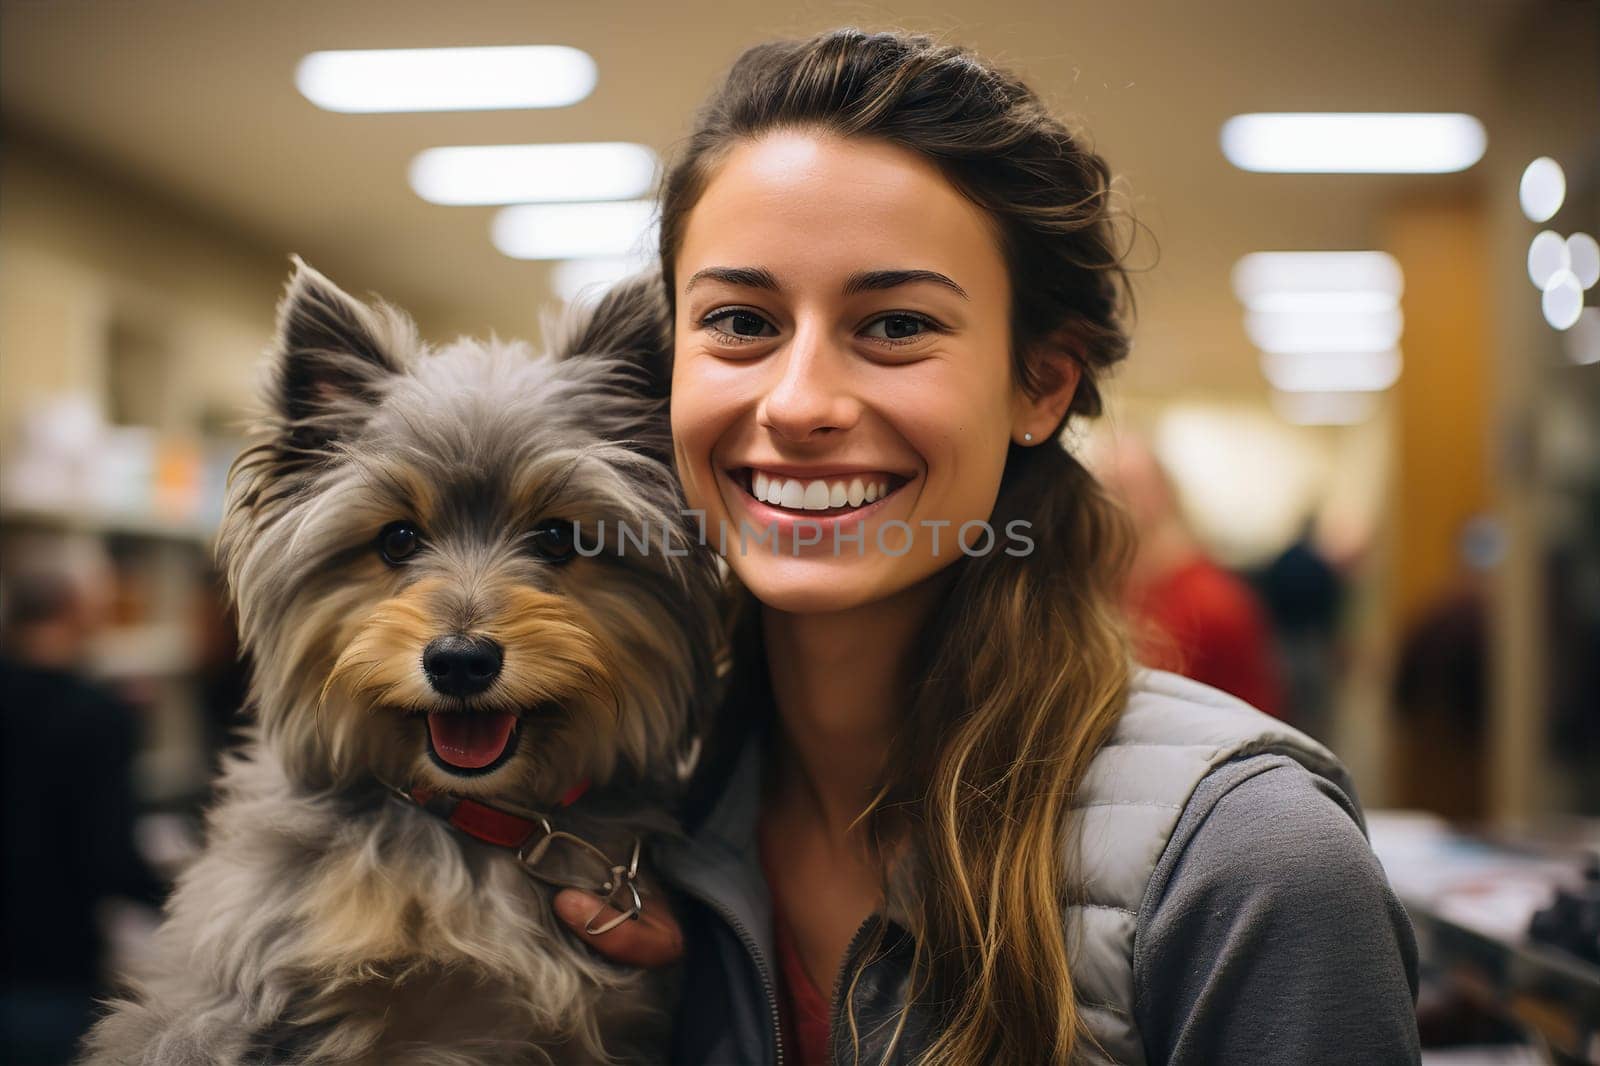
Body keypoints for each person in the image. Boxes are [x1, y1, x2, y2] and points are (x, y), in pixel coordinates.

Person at [551, 28, 1421, 1065]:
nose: (798, 403)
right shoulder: (612, 829)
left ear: (1040, 384)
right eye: (740, 320)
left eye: (896, 325)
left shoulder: (1247, 865)